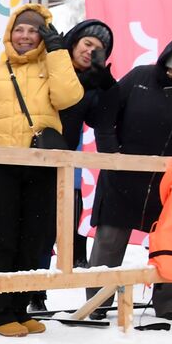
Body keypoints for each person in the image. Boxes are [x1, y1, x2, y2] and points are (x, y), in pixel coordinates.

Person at [0, 4, 83, 336]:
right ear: (10, 32)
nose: (25, 36)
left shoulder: (53, 66)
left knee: (34, 241)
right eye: (20, 29)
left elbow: (70, 98)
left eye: (33, 30)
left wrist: (57, 53)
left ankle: (20, 307)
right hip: (0, 166)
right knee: (5, 239)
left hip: (40, 165)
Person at [89, 31, 172, 320]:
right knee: (110, 240)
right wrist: (112, 155)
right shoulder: (140, 77)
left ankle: (167, 304)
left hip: (170, 184)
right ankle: (97, 302)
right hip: (123, 175)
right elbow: (106, 115)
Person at [57, 19, 117, 273]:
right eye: (87, 43)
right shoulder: (53, 66)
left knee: (65, 221)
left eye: (98, 48)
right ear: (73, 43)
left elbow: (100, 119)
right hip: (34, 155)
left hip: (68, 162)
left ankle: (40, 295)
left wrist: (107, 86)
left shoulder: (94, 80)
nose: (89, 51)